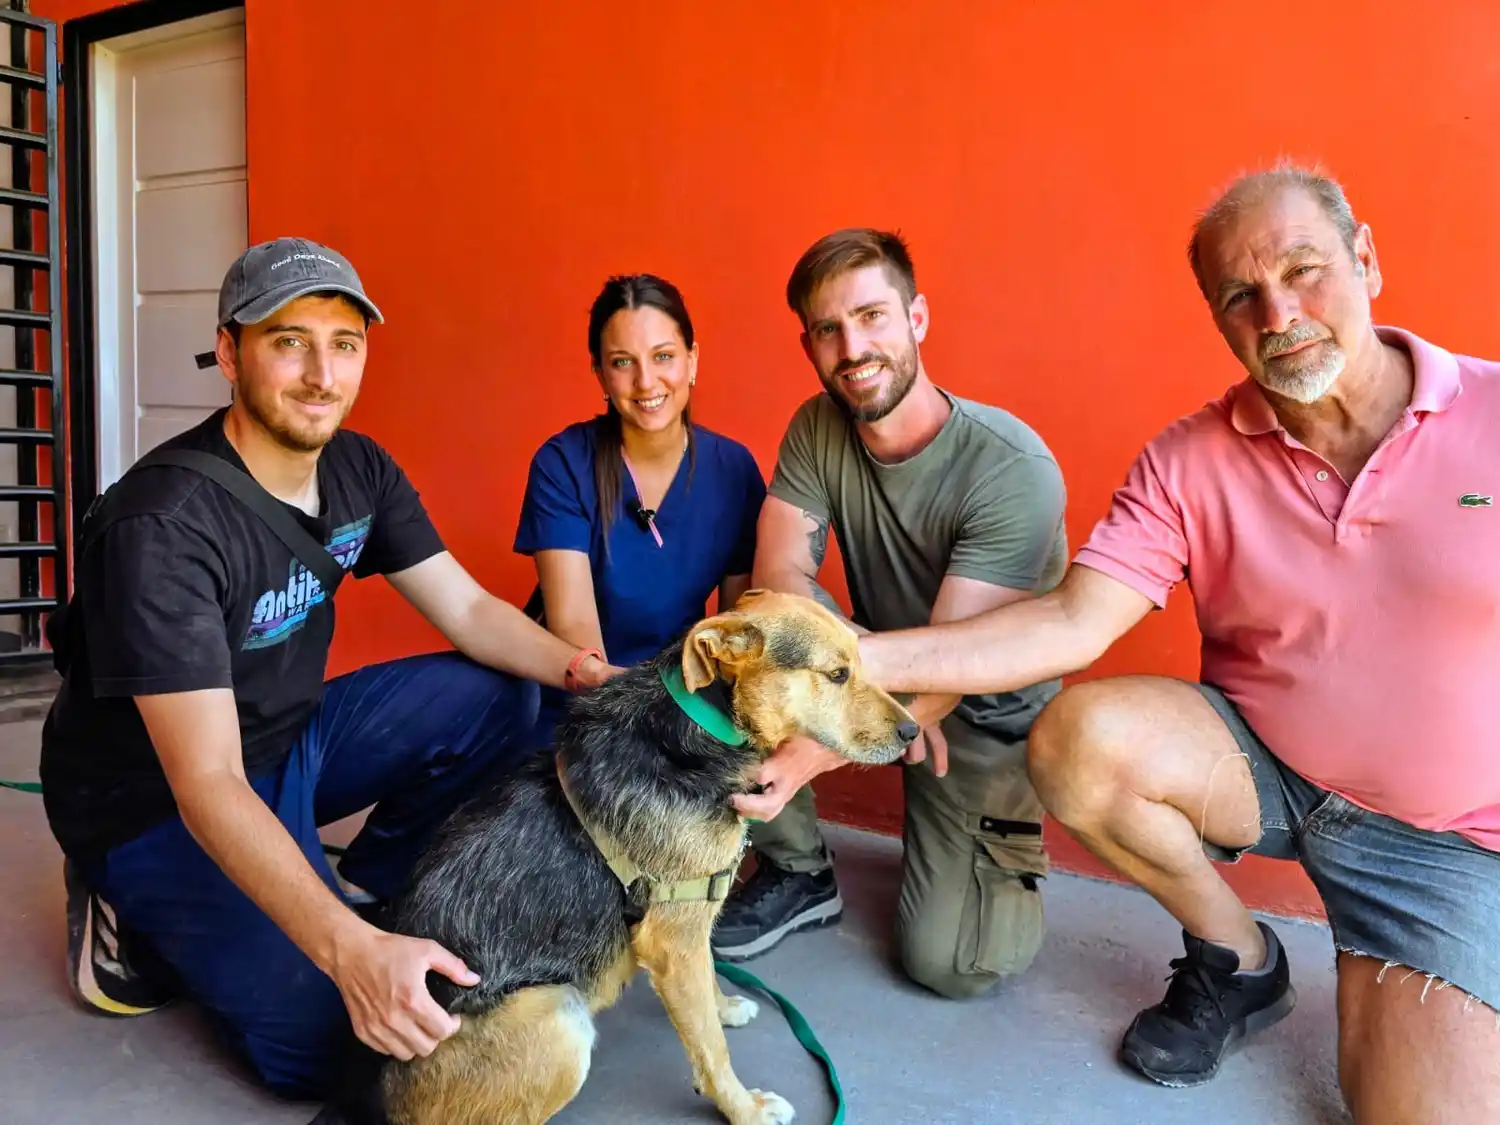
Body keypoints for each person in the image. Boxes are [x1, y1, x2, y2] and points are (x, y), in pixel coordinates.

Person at [840, 168, 1500, 1121]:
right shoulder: (1191, 457)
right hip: (1266, 769)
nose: (1278, 313)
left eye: (1304, 270)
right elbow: (1071, 620)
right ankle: (1243, 962)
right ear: (1217, 316)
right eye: (1241, 295)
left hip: (1448, 841)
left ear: (1366, 258)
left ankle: (1390, 969)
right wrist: (852, 661)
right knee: (1080, 738)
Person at [38, 237, 622, 1100]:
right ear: (230, 352)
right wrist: (347, 955)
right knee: (338, 1047)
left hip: (289, 741)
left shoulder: (358, 470)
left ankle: (365, 889)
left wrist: (590, 675)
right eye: (289, 340)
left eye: (344, 344)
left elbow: (467, 612)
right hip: (155, 799)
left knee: (508, 691)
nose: (322, 373)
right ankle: (126, 909)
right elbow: (207, 783)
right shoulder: (162, 528)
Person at [716, 228, 1069, 1002]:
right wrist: (858, 693)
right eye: (828, 329)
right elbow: (779, 582)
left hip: (980, 722)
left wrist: (818, 748)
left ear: (918, 317)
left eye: (873, 316)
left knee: (950, 966)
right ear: (808, 343)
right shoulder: (818, 425)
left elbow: (956, 661)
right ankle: (798, 868)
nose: (853, 346)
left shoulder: (1011, 467)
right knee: (753, 626)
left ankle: (985, 843)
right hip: (870, 680)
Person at [513, 273, 766, 741]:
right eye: (622, 362)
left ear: (692, 360)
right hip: (578, 703)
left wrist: (716, 731)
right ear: (601, 375)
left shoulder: (734, 469)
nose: (646, 381)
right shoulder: (562, 463)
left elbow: (735, 632)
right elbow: (577, 637)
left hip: (685, 699)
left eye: (664, 356)